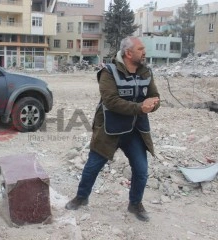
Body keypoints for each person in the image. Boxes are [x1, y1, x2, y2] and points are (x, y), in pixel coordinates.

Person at [65, 36, 160, 222]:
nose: (144, 52)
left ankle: (135, 204)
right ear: (128, 53)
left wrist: (152, 105)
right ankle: (81, 198)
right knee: (92, 167)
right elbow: (111, 101)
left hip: (135, 131)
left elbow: (155, 96)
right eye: (140, 49)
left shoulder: (146, 72)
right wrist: (140, 107)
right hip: (110, 129)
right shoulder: (108, 72)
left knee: (141, 171)